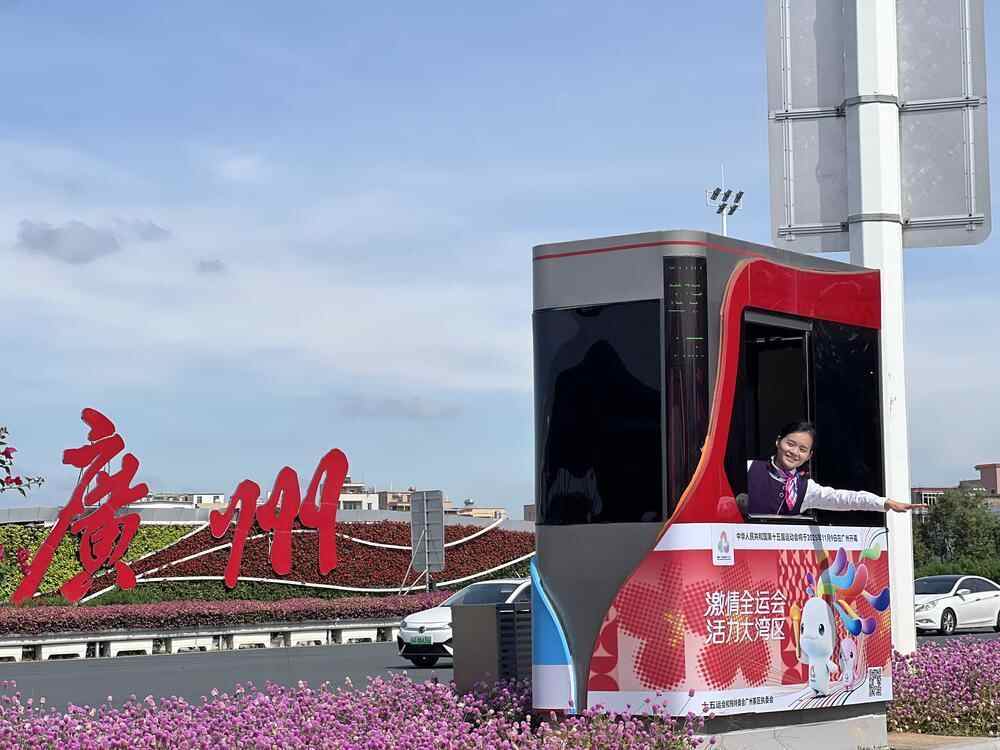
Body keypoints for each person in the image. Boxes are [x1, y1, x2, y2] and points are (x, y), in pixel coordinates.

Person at [744, 420, 926, 517]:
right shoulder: (750, 468)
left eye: (803, 449)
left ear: (809, 456)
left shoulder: (806, 488)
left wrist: (885, 502)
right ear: (778, 442)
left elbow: (845, 499)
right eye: (790, 444)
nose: (794, 452)